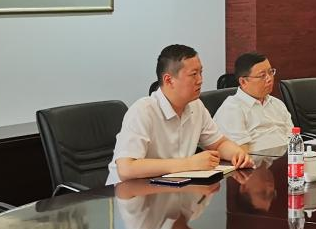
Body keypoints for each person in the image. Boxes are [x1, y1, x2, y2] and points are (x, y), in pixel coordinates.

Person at [107, 44, 252, 184]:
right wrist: (188, 164)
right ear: (169, 80)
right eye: (193, 74)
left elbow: (219, 143)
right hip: (131, 193)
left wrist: (237, 154)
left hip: (173, 186)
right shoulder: (143, 111)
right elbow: (126, 168)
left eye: (201, 72)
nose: (200, 80)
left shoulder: (196, 106)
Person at [213, 52, 293, 155]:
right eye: (262, 75)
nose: (269, 79)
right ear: (243, 82)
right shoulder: (232, 108)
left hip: (289, 159)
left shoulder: (277, 103)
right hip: (258, 162)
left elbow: (293, 137)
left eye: (270, 72)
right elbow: (241, 153)